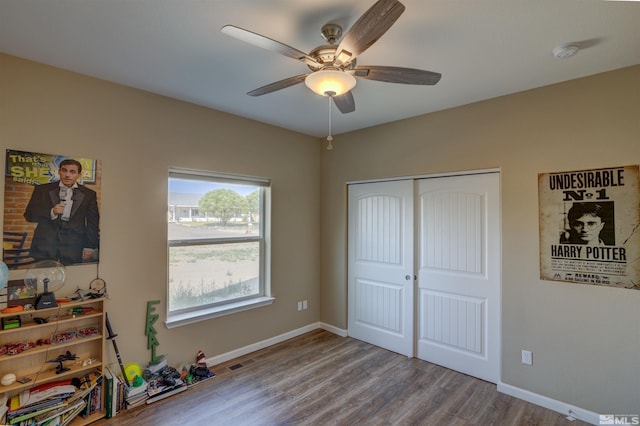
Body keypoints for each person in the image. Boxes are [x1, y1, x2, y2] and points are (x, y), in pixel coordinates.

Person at [24, 159, 100, 265]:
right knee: (43, 278)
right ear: (59, 172)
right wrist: (51, 212)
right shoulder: (42, 190)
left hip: (73, 246)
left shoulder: (89, 194)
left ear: (79, 174)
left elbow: (93, 223)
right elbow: (29, 215)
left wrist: (90, 246)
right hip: (45, 245)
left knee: (72, 279)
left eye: (72, 172)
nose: (67, 175)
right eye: (64, 171)